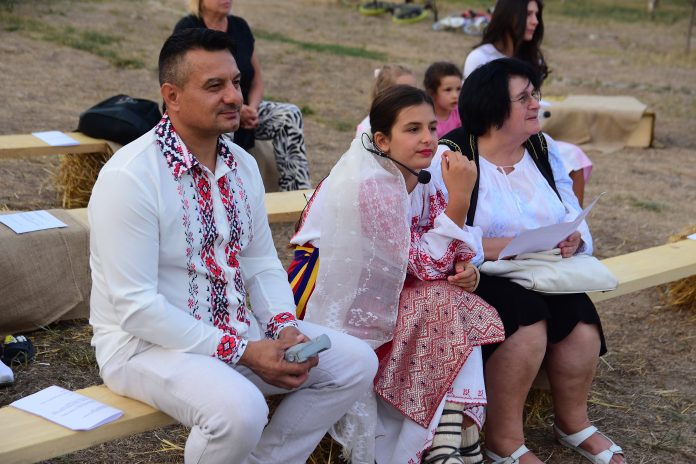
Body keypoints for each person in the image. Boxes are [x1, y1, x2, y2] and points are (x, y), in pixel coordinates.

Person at [88, 28, 377, 464]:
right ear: (172, 96)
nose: (233, 97)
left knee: (355, 363)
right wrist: (243, 351)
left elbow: (259, 261)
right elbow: (136, 308)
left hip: (236, 332)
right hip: (143, 348)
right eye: (214, 86)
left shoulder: (241, 164)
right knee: (241, 411)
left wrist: (282, 326)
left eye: (236, 82)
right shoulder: (130, 177)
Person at [288, 85, 505, 464]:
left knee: (452, 297)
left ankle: (449, 437)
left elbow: (453, 250)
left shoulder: (424, 172)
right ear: (382, 141)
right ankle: (451, 436)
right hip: (332, 291)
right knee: (445, 300)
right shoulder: (370, 184)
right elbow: (423, 263)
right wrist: (460, 201)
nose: (428, 138)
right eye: (413, 129)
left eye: (432, 127)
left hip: (395, 283)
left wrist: (465, 269)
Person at [436, 58, 625, 464]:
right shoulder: (452, 156)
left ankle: (573, 423)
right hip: (477, 276)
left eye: (534, 94)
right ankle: (503, 440)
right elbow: (439, 233)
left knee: (580, 318)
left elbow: (570, 208)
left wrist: (575, 238)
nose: (536, 103)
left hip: (542, 270)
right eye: (524, 98)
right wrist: (501, 245)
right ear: (492, 108)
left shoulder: (543, 148)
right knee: (526, 321)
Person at [463, 0, 592, 206]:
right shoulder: (481, 58)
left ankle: (571, 219)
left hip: (528, 136)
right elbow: (474, 108)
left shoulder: (530, 57)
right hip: (494, 141)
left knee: (575, 157)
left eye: (537, 15)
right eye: (529, 14)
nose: (535, 21)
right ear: (510, 15)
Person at [174, 0, 311, 192]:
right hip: (212, 109)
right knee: (223, 121)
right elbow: (188, 85)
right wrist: (237, 110)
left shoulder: (240, 26)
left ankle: (297, 194)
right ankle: (226, 193)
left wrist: (252, 108)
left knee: (289, 115)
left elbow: (257, 80)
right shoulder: (188, 29)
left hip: (245, 109)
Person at [355, 63, 417, 136]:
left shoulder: (416, 118)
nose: (414, 96)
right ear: (386, 94)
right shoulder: (371, 128)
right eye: (405, 92)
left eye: (415, 90)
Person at [423, 61, 463, 138]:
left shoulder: (460, 113)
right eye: (448, 90)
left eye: (458, 89)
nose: (455, 95)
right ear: (432, 92)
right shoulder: (426, 117)